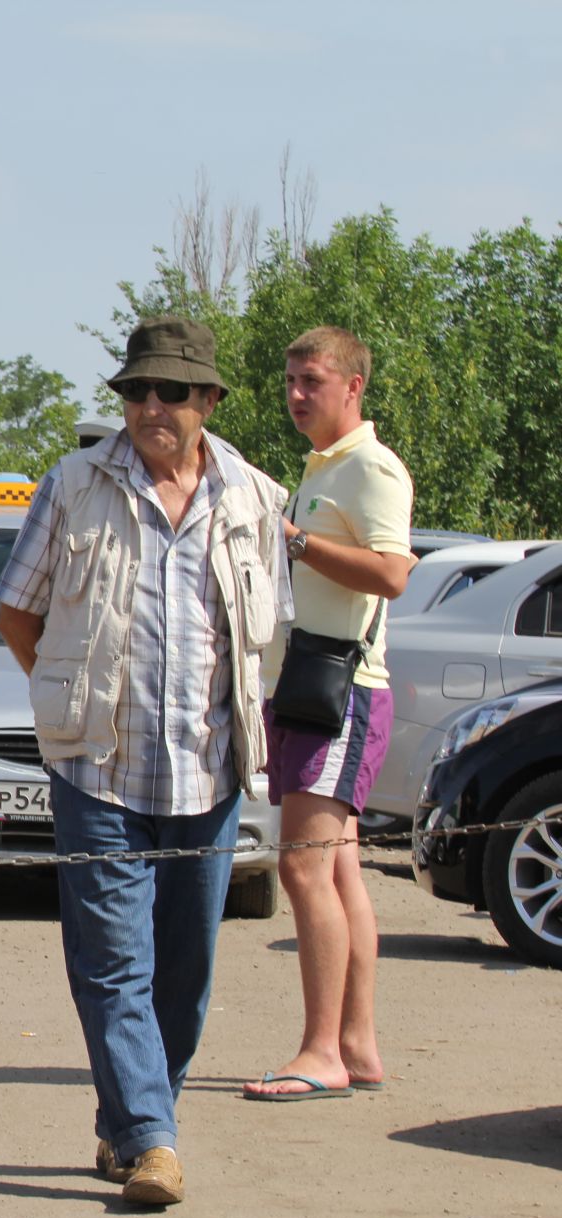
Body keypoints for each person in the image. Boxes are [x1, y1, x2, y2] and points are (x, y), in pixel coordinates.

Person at [0, 315, 288, 1207]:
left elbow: (267, 634)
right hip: (99, 772)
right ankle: (154, 1140)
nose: (149, 407)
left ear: (207, 400)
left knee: (187, 968)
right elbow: (17, 612)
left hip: (210, 771)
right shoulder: (75, 486)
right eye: (135, 391)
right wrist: (69, 698)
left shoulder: (254, 498)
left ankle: (126, 1117)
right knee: (113, 962)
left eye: (169, 392)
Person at [243, 327, 413, 1102]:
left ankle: (322, 1051)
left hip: (338, 693)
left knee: (303, 867)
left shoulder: (371, 467)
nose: (297, 394)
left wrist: (299, 541)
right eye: (290, 380)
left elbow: (391, 574)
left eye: (312, 380)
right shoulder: (322, 467)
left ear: (354, 387)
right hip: (309, 689)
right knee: (338, 869)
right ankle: (356, 1044)